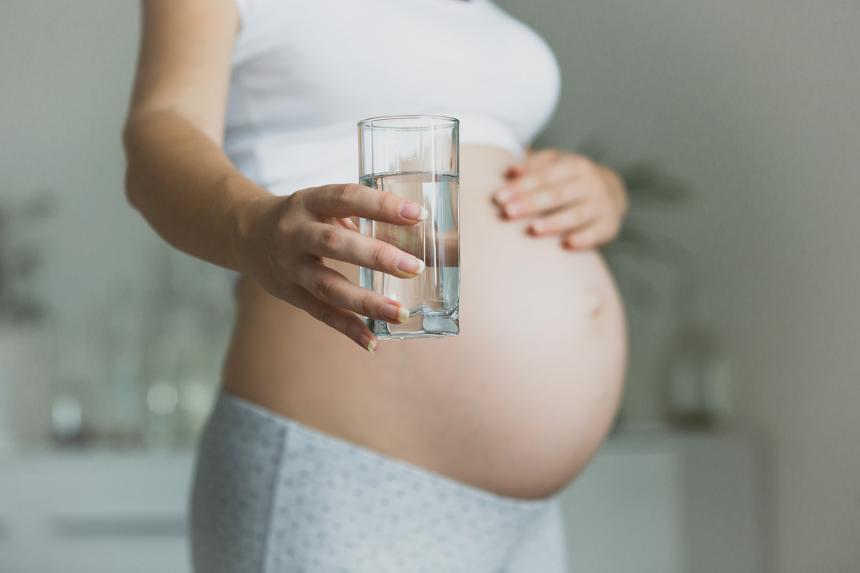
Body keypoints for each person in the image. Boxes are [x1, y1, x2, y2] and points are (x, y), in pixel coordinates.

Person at [122, 0, 629, 571]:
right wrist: (253, 226)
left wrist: (599, 190)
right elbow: (159, 131)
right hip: (342, 476)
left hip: (525, 521)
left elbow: (480, 147)